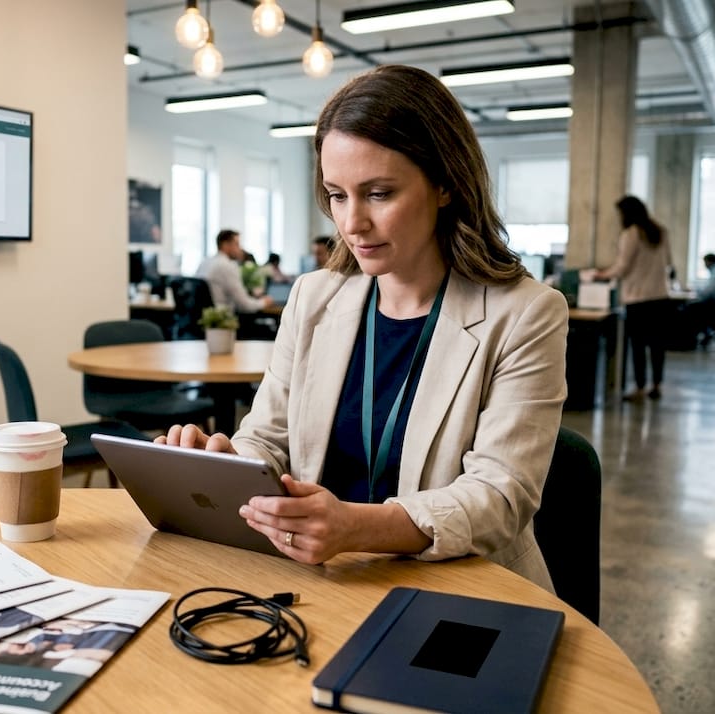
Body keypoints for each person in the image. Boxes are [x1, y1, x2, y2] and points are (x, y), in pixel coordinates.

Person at [155, 65, 567, 591]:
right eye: (337, 194)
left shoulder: (526, 314)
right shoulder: (313, 298)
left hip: (463, 586)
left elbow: (499, 496)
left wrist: (356, 527)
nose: (351, 224)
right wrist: (226, 463)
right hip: (326, 580)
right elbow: (269, 437)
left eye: (378, 193)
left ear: (444, 184)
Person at [592, 196, 674, 401]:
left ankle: (639, 388)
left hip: (638, 299)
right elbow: (669, 263)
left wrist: (600, 274)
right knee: (657, 345)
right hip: (660, 297)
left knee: (638, 346)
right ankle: (657, 385)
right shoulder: (660, 232)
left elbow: (622, 267)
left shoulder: (631, 234)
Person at [196, 229, 274, 313]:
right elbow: (244, 305)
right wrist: (264, 302)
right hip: (224, 319)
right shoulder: (227, 266)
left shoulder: (204, 262)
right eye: (237, 244)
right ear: (225, 245)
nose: (240, 249)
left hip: (206, 318)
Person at [682, 253, 715, 347]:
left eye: (705, 262)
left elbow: (707, 292)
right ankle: (699, 336)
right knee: (695, 306)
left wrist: (694, 291)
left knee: (690, 308)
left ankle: (689, 341)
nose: (704, 265)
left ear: (710, 262)